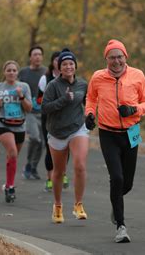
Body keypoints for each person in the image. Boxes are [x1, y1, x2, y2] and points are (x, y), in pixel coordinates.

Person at [85, 39, 145, 243]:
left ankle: (116, 200)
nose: (116, 61)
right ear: (106, 59)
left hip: (131, 132)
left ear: (126, 57)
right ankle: (121, 226)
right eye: (112, 57)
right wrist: (89, 114)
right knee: (117, 177)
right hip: (108, 133)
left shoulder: (137, 75)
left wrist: (134, 109)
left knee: (127, 183)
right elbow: (91, 98)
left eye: (119, 57)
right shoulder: (98, 77)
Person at [42, 49, 89, 224]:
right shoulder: (53, 85)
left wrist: (90, 117)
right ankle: (58, 205)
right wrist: (63, 100)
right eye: (64, 64)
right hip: (57, 132)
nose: (68, 66)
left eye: (71, 64)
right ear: (59, 68)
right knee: (59, 172)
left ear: (75, 66)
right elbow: (45, 108)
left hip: (77, 129)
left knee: (80, 165)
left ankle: (78, 205)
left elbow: (89, 103)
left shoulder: (83, 85)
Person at [0, 60, 32, 203]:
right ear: (4, 72)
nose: (11, 73)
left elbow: (29, 108)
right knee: (12, 152)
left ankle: (7, 183)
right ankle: (10, 187)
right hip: (3, 125)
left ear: (17, 73)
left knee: (13, 156)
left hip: (20, 126)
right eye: (9, 70)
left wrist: (22, 97)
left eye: (14, 70)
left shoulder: (23, 87)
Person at [38, 51, 70, 192]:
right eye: (56, 60)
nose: (58, 62)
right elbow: (39, 100)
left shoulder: (70, 78)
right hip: (49, 119)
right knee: (50, 148)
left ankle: (62, 173)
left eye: (60, 60)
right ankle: (50, 178)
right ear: (52, 62)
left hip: (66, 119)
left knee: (66, 148)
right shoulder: (45, 79)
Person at [19, 46, 47, 180]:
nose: (37, 57)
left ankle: (33, 167)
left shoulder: (46, 72)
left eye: (40, 55)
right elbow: (13, 86)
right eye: (35, 54)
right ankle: (29, 165)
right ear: (30, 57)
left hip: (44, 113)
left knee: (42, 143)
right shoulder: (23, 72)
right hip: (29, 111)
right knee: (35, 138)